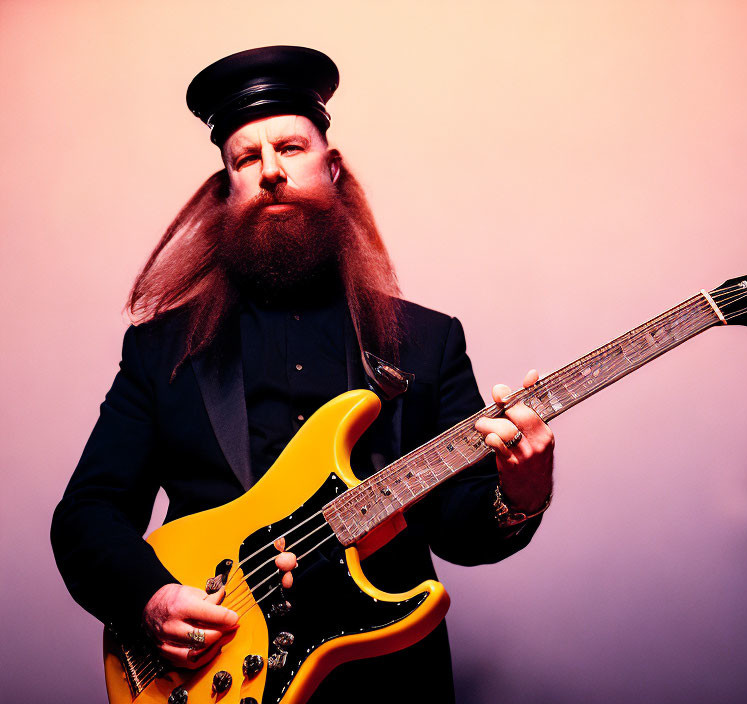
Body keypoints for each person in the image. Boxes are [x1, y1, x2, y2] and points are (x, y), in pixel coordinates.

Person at [51, 46, 554, 702]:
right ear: (227, 187)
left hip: (388, 679)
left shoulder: (426, 341)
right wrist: (151, 600)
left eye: (289, 146)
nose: (269, 172)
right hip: (217, 673)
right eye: (245, 158)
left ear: (332, 166)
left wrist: (521, 492)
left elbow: (460, 527)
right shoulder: (160, 349)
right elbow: (87, 514)